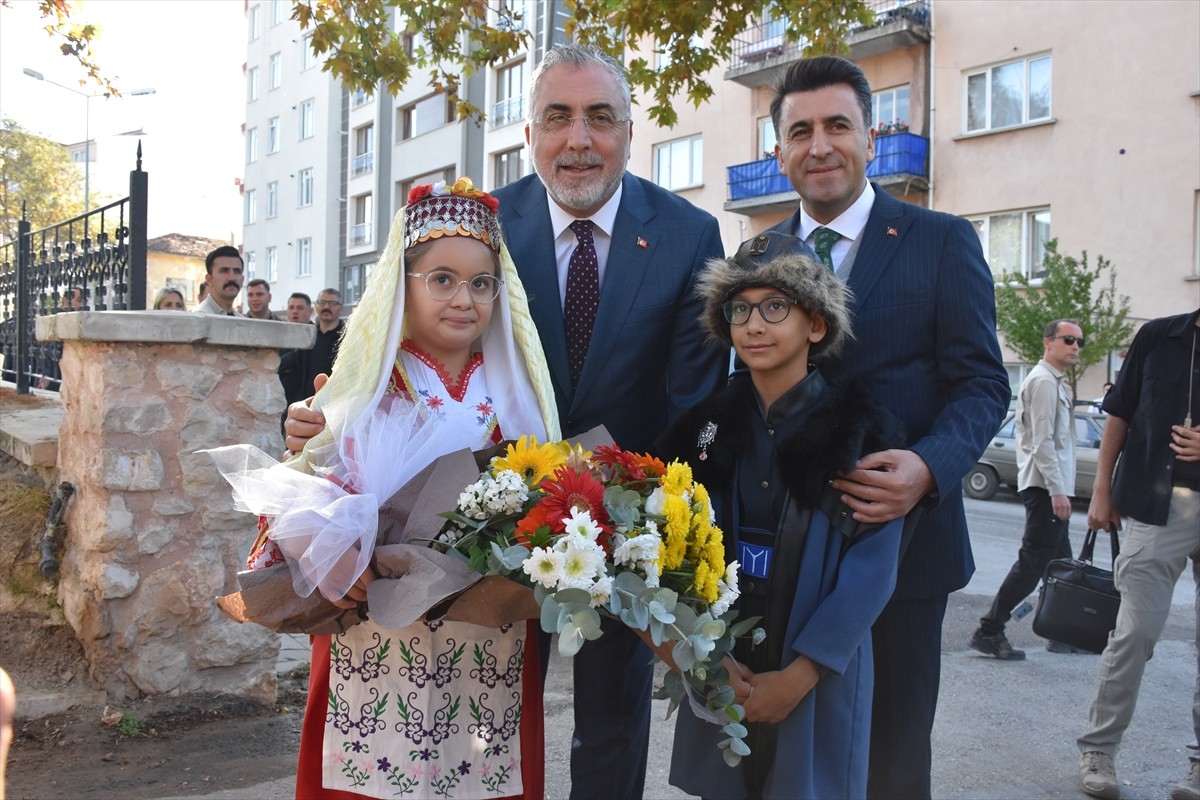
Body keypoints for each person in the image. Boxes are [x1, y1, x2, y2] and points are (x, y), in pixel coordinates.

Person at [283, 44, 726, 799]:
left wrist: (646, 526)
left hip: (610, 528)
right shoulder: (482, 222)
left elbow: (693, 402)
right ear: (528, 133)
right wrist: (325, 417)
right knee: (471, 730)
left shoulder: (688, 233)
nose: (578, 139)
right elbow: (392, 343)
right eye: (557, 117)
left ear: (629, 129)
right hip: (478, 545)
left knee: (611, 731)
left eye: (600, 118)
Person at [228, 178, 558, 799]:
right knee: (372, 771)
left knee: (480, 771)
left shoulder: (517, 388)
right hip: (377, 627)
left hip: (487, 633)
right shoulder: (367, 380)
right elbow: (306, 490)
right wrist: (336, 558)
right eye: (442, 279)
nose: (464, 298)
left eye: (481, 283)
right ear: (400, 287)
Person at [765, 55, 1010, 799]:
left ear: (871, 137)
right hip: (784, 547)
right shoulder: (755, 258)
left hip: (905, 552)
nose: (820, 146)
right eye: (800, 131)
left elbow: (981, 382)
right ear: (779, 150)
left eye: (838, 125)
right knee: (786, 750)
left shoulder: (941, 241)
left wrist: (930, 468)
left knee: (892, 759)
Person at [657, 233, 906, 799]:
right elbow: (670, 549)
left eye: (775, 307)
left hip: (811, 664)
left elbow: (874, 567)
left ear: (815, 325)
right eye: (738, 309)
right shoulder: (704, 430)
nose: (754, 325)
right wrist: (699, 653)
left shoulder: (857, 429)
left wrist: (802, 674)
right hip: (723, 657)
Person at [1076, 308, 1200, 800]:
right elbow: (1120, 414)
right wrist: (1101, 492)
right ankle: (1099, 750)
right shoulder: (1159, 336)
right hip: (1155, 505)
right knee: (1134, 635)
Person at [971, 319, 1083, 660]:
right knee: (1034, 563)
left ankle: (1058, 631)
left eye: (1080, 341)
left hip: (1052, 487)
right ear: (1048, 342)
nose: (1076, 346)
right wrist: (1057, 491)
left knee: (1061, 563)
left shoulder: (1056, 382)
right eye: (1068, 339)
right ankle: (989, 630)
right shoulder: (1044, 382)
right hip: (1046, 488)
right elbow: (1041, 443)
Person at [195, 246, 244, 316]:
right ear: (209, 279)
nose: (232, 278)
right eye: (224, 271)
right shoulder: (199, 318)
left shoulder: (240, 320)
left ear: (242, 280)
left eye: (237, 271)